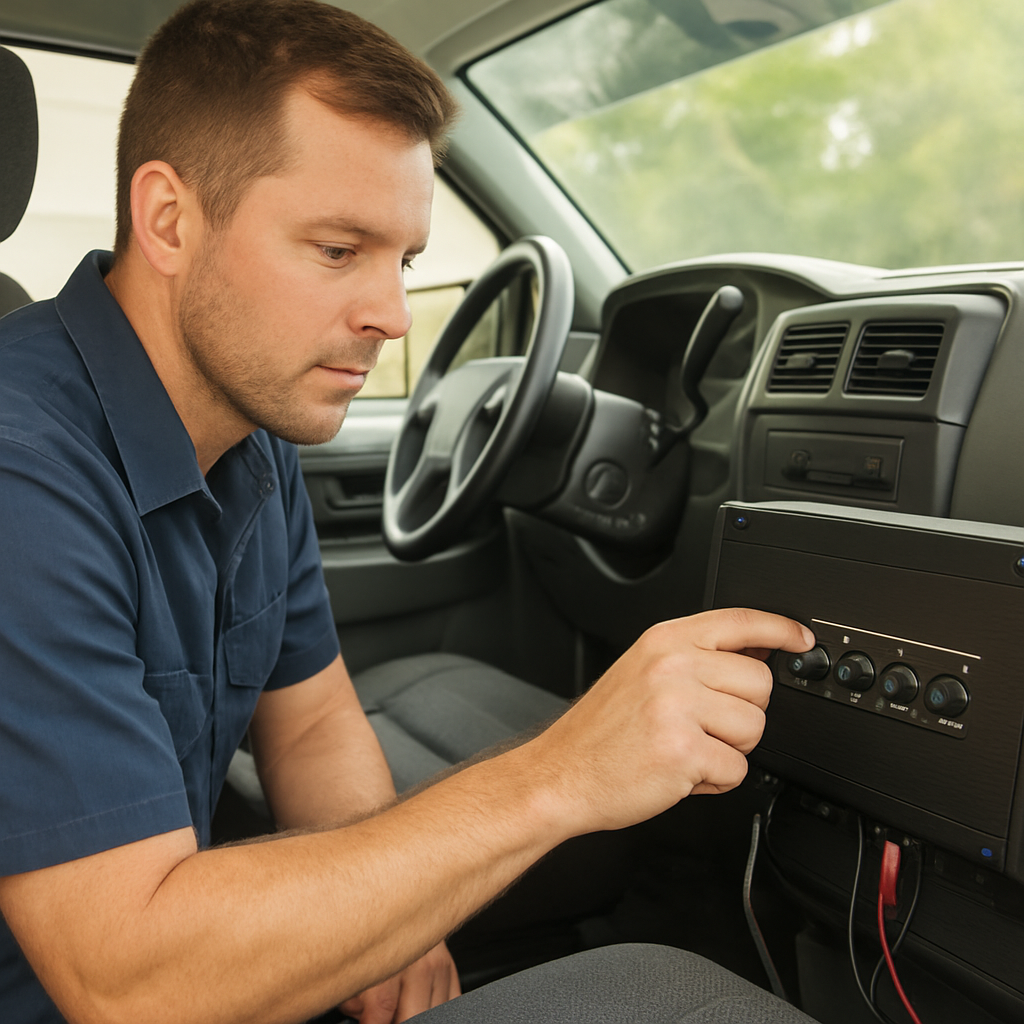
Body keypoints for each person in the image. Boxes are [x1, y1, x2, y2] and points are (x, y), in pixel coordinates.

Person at [0, 2, 820, 1022]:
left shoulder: (246, 435)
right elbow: (128, 982)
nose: (390, 314)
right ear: (169, 219)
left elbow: (309, 721)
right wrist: (556, 776)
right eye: (339, 249)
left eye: (405, 261)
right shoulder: (21, 468)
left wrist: (398, 916)